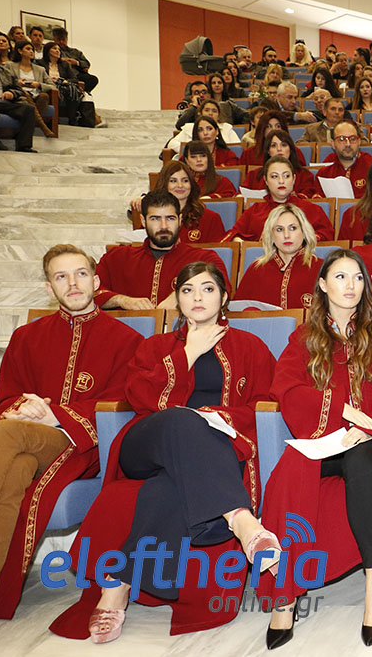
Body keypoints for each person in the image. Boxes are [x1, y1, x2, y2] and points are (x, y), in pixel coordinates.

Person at [49, 262, 276, 643]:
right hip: (147, 443)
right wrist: (187, 354)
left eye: (207, 289)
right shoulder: (155, 346)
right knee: (181, 420)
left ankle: (116, 587)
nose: (197, 297)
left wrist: (213, 417)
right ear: (178, 299)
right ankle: (239, 517)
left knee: (172, 482)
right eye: (187, 290)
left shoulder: (250, 347)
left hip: (210, 452)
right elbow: (139, 396)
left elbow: (264, 404)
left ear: (224, 297)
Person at [257, 249, 372, 649]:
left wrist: (368, 428)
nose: (350, 285)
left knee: (358, 460)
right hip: (324, 437)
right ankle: (285, 592)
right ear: (322, 285)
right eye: (340, 277)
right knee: (291, 467)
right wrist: (341, 412)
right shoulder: (304, 338)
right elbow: (286, 388)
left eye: (357, 277)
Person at [0, 245, 141, 619]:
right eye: (61, 277)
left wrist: (56, 416)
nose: (73, 283)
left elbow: (122, 401)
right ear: (49, 288)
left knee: (7, 434)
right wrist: (23, 408)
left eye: (80, 274)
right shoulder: (26, 336)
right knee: (15, 470)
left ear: (96, 281)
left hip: (83, 446)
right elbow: (6, 397)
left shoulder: (126, 339)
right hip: (29, 440)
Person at [96, 191, 228, 310]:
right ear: (143, 221)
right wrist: (121, 300)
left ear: (180, 220)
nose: (163, 226)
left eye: (170, 218)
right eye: (155, 219)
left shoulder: (204, 259)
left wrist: (181, 294)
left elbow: (223, 289)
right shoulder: (117, 257)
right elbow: (90, 291)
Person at [234, 204, 323, 309]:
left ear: (304, 233)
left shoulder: (321, 268)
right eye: (279, 229)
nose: (286, 235)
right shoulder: (256, 270)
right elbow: (237, 312)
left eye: (293, 228)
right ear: (271, 235)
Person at [224, 157, 334, 242]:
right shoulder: (254, 211)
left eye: (286, 176)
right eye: (274, 176)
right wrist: (239, 241)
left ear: (294, 179)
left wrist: (304, 239)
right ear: (266, 181)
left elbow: (328, 236)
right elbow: (233, 235)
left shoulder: (312, 209)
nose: (281, 181)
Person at [241, 129, 319, 197]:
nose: (279, 149)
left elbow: (308, 197)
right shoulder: (254, 175)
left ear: (290, 149)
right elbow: (241, 194)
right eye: (273, 145)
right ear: (268, 151)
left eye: (283, 145)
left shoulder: (305, 175)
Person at [5, 40, 55, 137]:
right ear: (20, 51)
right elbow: (6, 81)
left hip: (35, 96)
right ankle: (44, 127)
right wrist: (17, 82)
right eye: (28, 49)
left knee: (44, 96)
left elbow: (53, 86)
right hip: (19, 95)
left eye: (32, 49)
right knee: (26, 94)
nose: (31, 51)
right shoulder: (10, 65)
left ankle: (31, 125)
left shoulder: (40, 69)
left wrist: (38, 85)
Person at [315, 119, 372, 194]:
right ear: (333, 144)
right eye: (341, 139)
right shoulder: (324, 175)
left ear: (359, 142)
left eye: (352, 139)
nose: (348, 144)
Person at [51, 27, 98, 95]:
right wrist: (61, 60)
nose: (61, 42)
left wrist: (76, 62)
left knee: (93, 79)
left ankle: (80, 95)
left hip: (77, 74)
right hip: (63, 75)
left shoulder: (75, 52)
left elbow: (87, 63)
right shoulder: (52, 51)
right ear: (54, 39)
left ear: (67, 39)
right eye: (58, 40)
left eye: (63, 39)